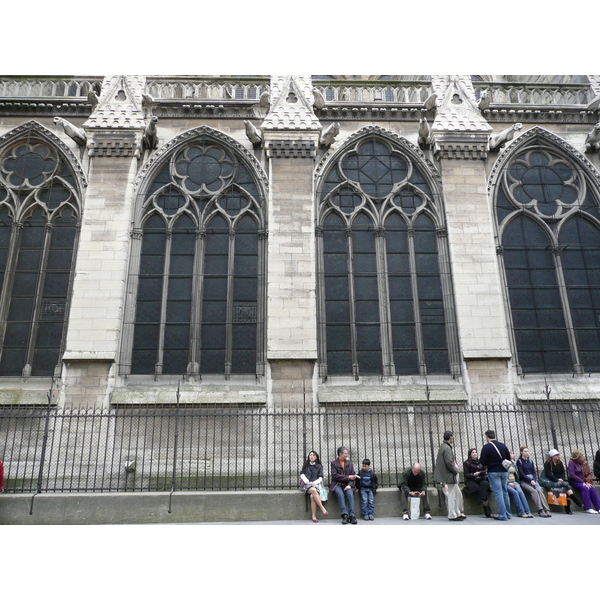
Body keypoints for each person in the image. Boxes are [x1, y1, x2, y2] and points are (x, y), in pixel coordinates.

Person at [433, 431, 466, 521]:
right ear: (450, 437)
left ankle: (457, 512)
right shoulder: (447, 448)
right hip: (449, 474)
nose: (453, 438)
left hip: (449, 474)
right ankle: (452, 514)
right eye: (452, 437)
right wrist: (455, 471)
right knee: (452, 495)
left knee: (457, 494)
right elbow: (449, 463)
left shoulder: (444, 446)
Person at [479, 429, 512, 521]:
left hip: (493, 471)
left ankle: (502, 515)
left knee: (498, 493)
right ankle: (508, 513)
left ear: (487, 437)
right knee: (505, 492)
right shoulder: (503, 445)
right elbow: (508, 458)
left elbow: (483, 461)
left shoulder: (486, 447)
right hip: (504, 471)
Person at [539, 449, 583, 515]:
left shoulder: (560, 463)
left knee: (565, 489)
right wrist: (557, 480)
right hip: (551, 481)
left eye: (558, 454)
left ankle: (569, 508)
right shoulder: (548, 463)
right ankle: (574, 504)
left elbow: (563, 472)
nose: (558, 456)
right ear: (552, 456)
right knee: (564, 485)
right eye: (556, 455)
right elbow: (548, 474)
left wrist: (562, 478)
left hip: (559, 481)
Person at [516, 446, 551, 517]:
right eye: (525, 451)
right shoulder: (519, 461)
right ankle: (540, 509)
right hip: (524, 481)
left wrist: (534, 480)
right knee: (534, 491)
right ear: (521, 452)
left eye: (527, 451)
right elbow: (521, 473)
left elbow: (534, 472)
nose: (527, 453)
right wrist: (530, 480)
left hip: (533, 480)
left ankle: (546, 509)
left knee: (539, 490)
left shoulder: (530, 461)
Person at [329, 446, 358, 524]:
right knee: (340, 494)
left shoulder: (349, 463)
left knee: (350, 494)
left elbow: (353, 476)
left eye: (347, 453)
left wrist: (349, 485)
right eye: (345, 453)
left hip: (347, 485)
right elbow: (335, 476)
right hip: (337, 484)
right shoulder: (334, 463)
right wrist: (348, 477)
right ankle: (344, 515)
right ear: (340, 454)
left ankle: (352, 515)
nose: (346, 455)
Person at [567, 449, 600, 514]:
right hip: (575, 481)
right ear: (577, 457)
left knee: (592, 488)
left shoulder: (584, 463)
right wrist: (583, 482)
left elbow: (589, 473)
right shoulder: (571, 463)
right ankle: (588, 508)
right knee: (585, 488)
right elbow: (572, 475)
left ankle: (598, 508)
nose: (583, 456)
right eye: (581, 455)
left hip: (584, 481)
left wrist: (587, 481)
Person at [299, 450, 329, 523]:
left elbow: (320, 477)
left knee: (312, 496)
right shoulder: (306, 464)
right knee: (313, 490)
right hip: (307, 485)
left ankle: (314, 516)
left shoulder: (319, 466)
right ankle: (322, 508)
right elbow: (302, 474)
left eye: (313, 455)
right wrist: (307, 481)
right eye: (310, 455)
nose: (311, 456)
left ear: (316, 457)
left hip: (316, 485)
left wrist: (313, 483)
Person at [463, 448, 492, 518]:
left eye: (475, 452)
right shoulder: (467, 463)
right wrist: (473, 474)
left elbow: (485, 470)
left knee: (484, 484)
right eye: (473, 452)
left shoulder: (480, 462)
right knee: (480, 490)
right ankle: (488, 512)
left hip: (480, 479)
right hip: (472, 480)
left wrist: (484, 472)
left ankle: (481, 500)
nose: (475, 454)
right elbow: (466, 475)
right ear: (470, 455)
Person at [506, 450, 533, 518]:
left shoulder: (513, 463)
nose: (513, 455)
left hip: (514, 482)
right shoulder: (505, 463)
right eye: (511, 453)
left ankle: (528, 511)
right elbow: (503, 476)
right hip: (507, 483)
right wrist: (509, 483)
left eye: (513, 453)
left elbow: (516, 474)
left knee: (521, 492)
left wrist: (516, 482)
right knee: (515, 492)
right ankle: (521, 512)